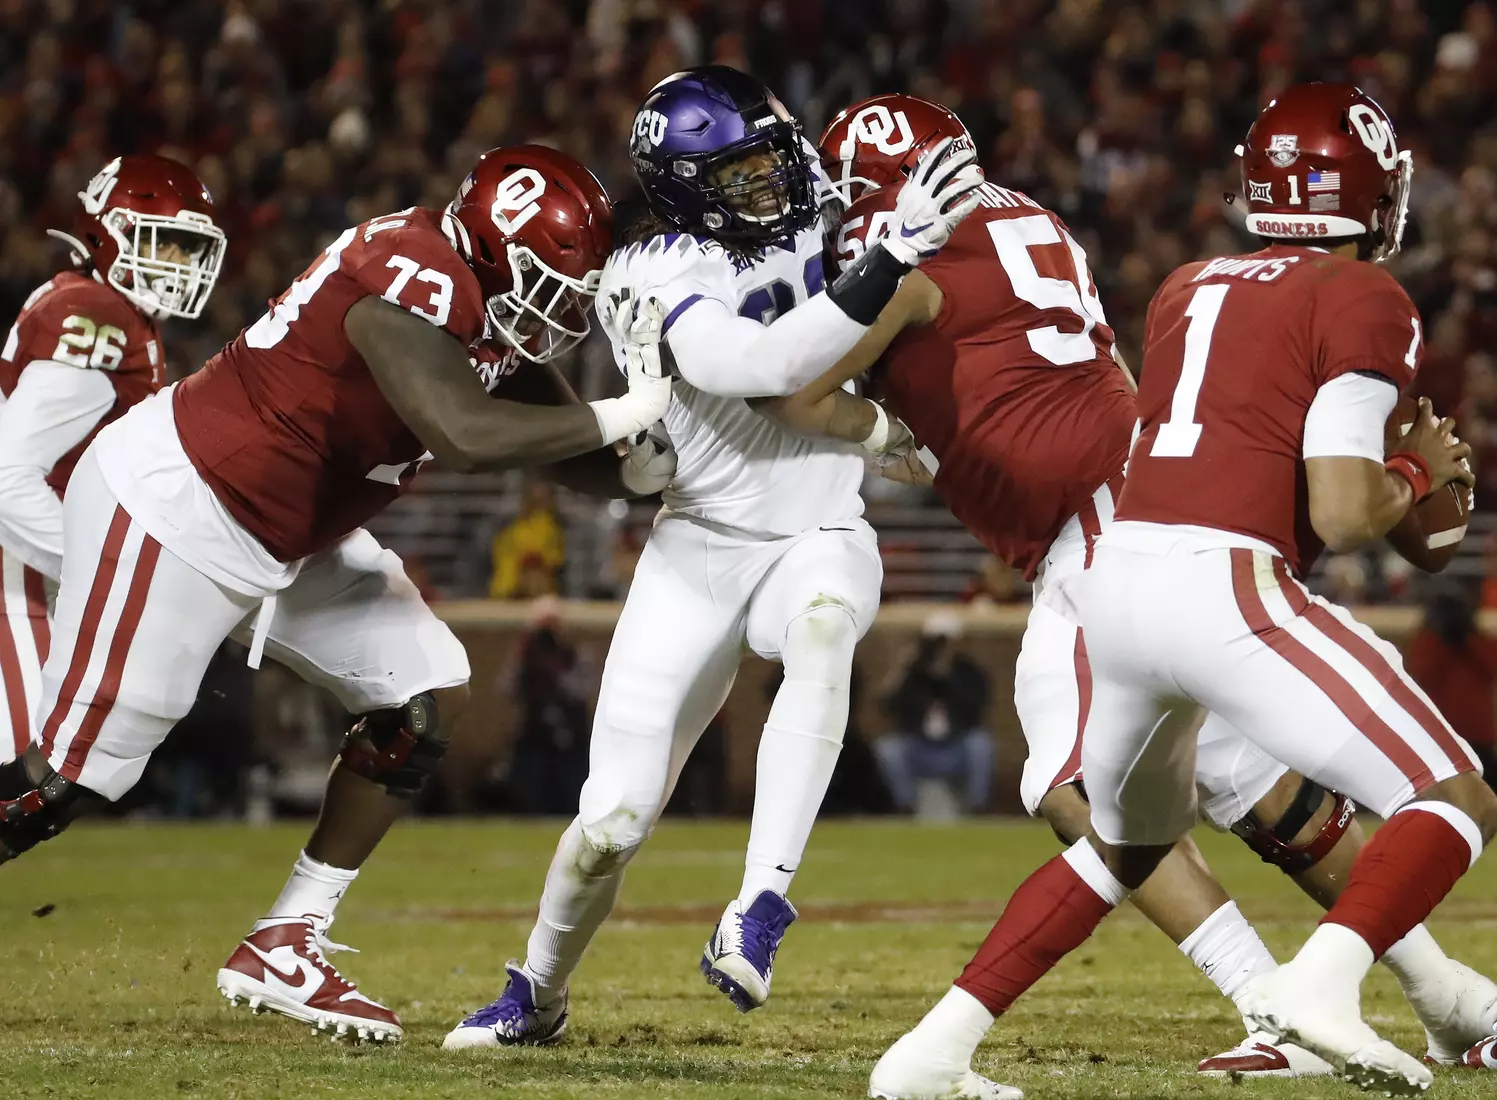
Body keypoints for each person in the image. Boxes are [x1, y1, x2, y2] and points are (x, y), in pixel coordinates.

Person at [761, 90, 1497, 1088]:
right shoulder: (1030, 221)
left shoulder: (1176, 280)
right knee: (1276, 784)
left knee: (1105, 802)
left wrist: (878, 426)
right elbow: (1314, 487)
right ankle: (1386, 997)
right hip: (1145, 522)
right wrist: (1406, 476)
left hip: (1111, 543)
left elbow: (792, 386)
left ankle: (1317, 1003)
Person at [0, 145, 674, 1045]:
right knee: (62, 783)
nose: (557, 315)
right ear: (492, 247)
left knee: (423, 696)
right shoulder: (409, 271)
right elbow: (465, 432)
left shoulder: (479, 296)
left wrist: (641, 468)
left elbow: (558, 439)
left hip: (290, 530)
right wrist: (628, 409)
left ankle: (286, 939)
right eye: (546, 286)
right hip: (181, 507)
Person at [443, 64, 983, 1048]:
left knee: (822, 628)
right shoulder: (655, 269)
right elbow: (758, 366)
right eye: (739, 173)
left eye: (772, 158)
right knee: (612, 820)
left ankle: (761, 903)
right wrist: (893, 257)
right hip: (696, 548)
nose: (771, 182)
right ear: (686, 188)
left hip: (819, 530)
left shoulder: (827, 207)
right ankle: (537, 993)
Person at [0, 154, 224, 768]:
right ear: (109, 233)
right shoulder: (97, 314)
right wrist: (95, 575)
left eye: (189, 248)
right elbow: (7, 478)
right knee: (20, 765)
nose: (179, 263)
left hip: (26, 570)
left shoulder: (101, 307)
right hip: (16, 574)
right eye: (166, 242)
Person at [875, 612, 994, 814]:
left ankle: (977, 808)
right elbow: (886, 705)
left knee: (980, 744)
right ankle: (905, 807)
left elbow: (977, 707)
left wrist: (948, 676)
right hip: (919, 748)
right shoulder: (913, 673)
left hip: (956, 747)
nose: (940, 647)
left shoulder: (967, 672)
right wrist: (903, 669)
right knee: (889, 749)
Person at [1406, 582, 1497, 785]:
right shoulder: (1429, 643)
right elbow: (1423, 676)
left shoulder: (1478, 641)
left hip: (1478, 737)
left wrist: (1467, 639)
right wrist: (1441, 639)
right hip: (1443, 738)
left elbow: (1492, 667)